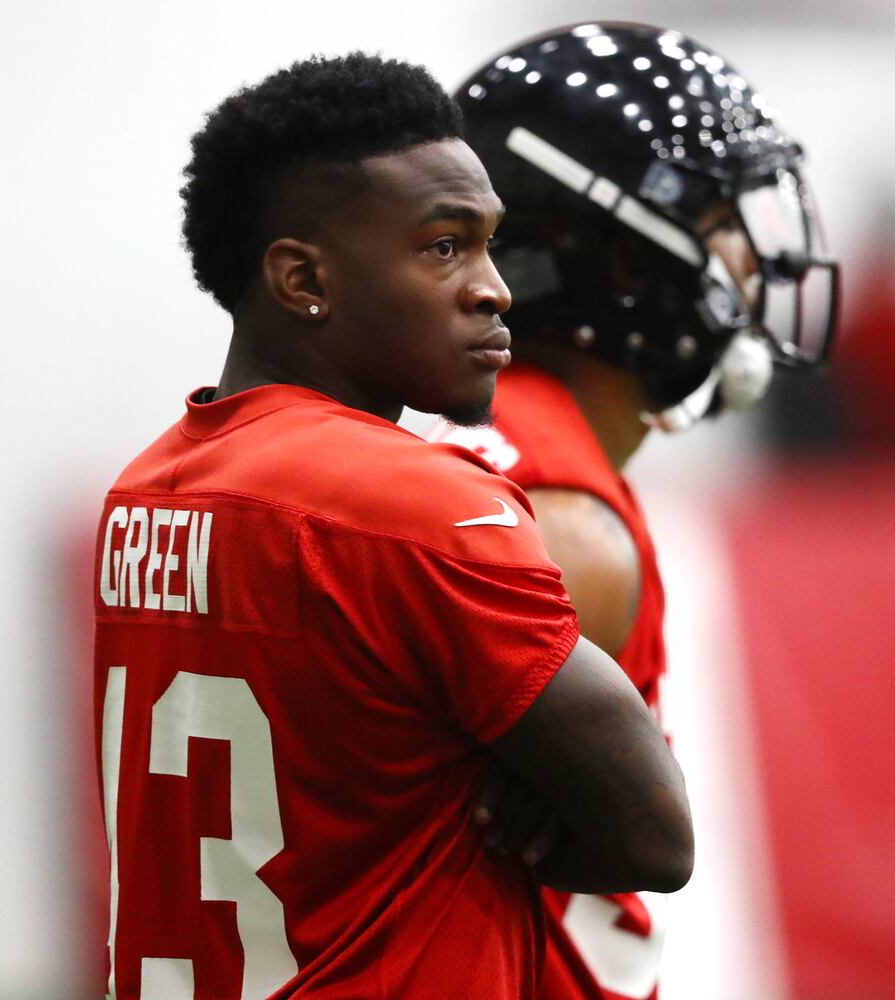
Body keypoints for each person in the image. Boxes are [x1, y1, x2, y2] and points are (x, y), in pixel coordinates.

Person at [93, 53, 693, 1000]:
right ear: (302, 278)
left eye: (490, 245)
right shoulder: (417, 502)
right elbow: (654, 839)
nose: (493, 289)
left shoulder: (143, 490)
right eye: (444, 247)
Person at [426, 22, 839, 1000]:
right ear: (618, 261)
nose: (755, 263)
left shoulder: (486, 440)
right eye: (721, 221)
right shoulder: (557, 521)